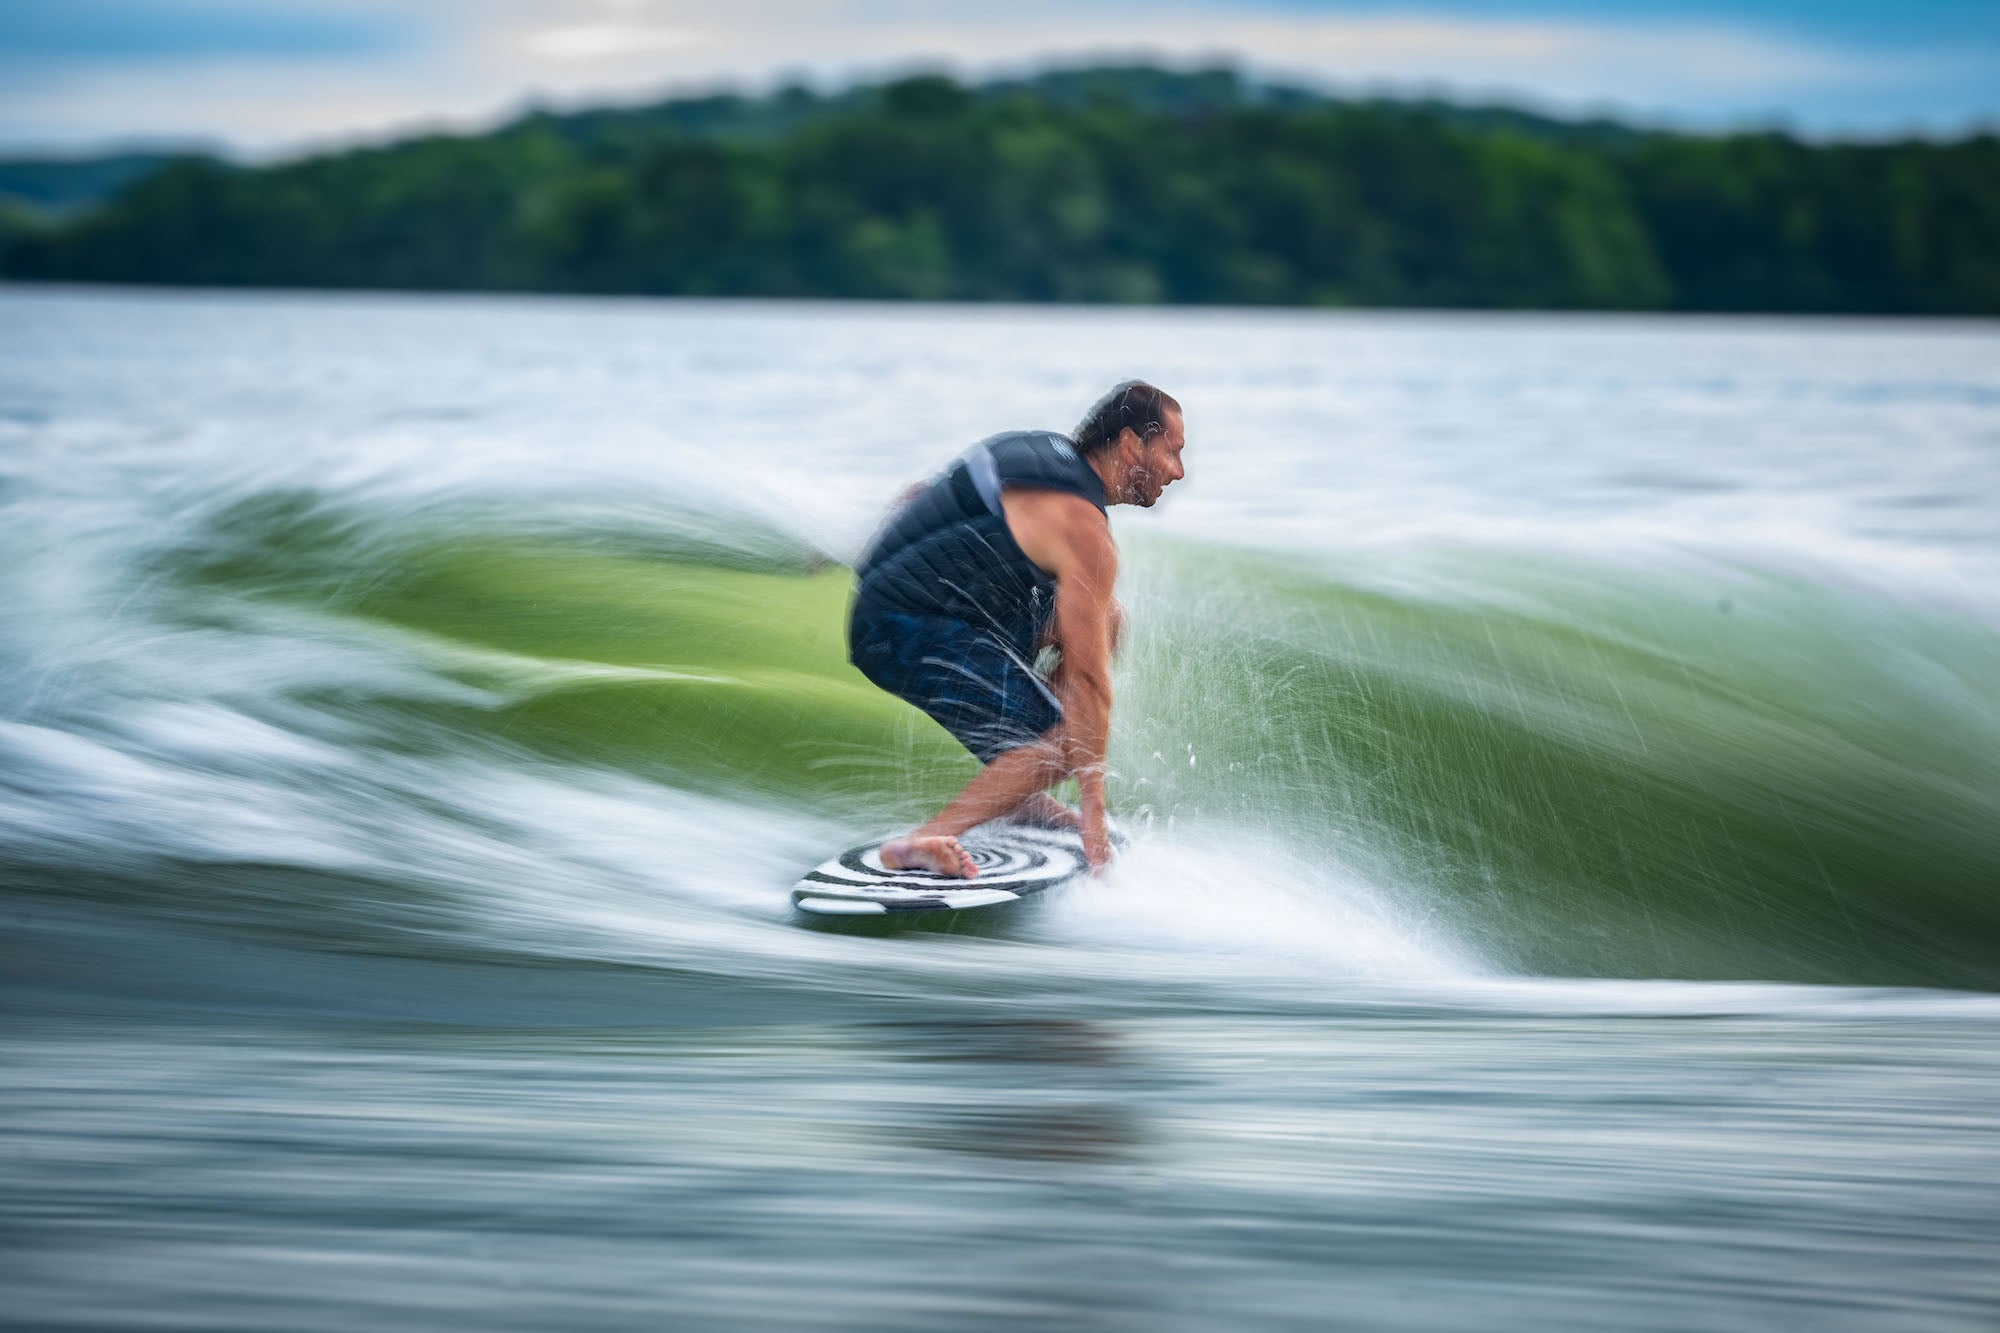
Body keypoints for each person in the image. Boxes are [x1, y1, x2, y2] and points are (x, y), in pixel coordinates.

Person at [847, 381, 1187, 878]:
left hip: (914, 605)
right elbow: (1090, 684)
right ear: (1133, 444)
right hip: (902, 629)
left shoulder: (1035, 449)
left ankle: (1022, 792)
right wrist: (1094, 812)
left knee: (1108, 617)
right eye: (1172, 453)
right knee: (1070, 736)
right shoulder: (1083, 530)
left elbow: (921, 496)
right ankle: (922, 842)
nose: (1179, 472)